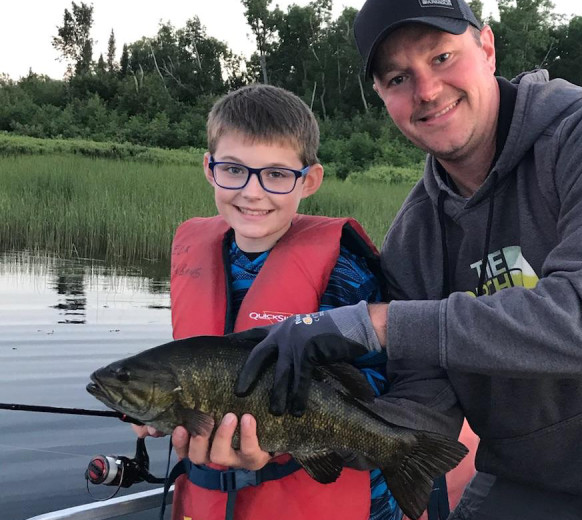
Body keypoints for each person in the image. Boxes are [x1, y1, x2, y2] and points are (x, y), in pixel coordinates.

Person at [202, 1, 582, 519]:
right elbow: (426, 408)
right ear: (381, 94)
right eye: (398, 78)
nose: (426, 89)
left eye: (442, 57)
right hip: (529, 474)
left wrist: (371, 323)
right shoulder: (416, 237)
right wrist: (285, 433)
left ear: (487, 48)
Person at [134, 84, 401, 520]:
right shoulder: (193, 255)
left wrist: (280, 429)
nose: (252, 193)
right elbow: (193, 373)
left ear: (309, 180)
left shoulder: (345, 270)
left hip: (327, 497)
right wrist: (156, 409)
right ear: (209, 168)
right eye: (234, 170)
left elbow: (374, 385)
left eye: (276, 174)